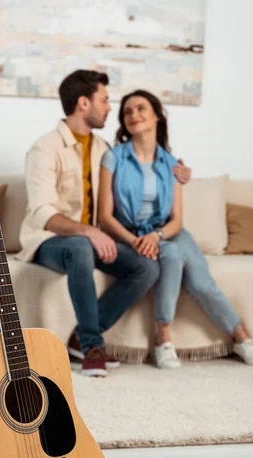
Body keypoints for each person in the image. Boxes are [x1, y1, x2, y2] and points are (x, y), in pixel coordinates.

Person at [17, 70, 191, 377]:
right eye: (105, 100)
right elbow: (42, 213)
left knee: (147, 267)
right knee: (81, 245)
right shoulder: (44, 148)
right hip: (47, 243)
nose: (110, 108)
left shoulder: (102, 150)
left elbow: (131, 188)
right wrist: (90, 232)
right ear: (84, 103)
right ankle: (92, 347)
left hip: (90, 242)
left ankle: (78, 337)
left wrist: (175, 173)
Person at [98, 89, 253, 368]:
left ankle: (242, 339)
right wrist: (136, 241)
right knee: (170, 257)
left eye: (141, 108)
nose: (134, 115)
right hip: (128, 235)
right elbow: (105, 217)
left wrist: (155, 236)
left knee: (201, 282)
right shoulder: (113, 158)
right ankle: (163, 339)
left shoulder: (172, 165)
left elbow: (177, 221)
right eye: (128, 111)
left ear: (156, 115)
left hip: (167, 232)